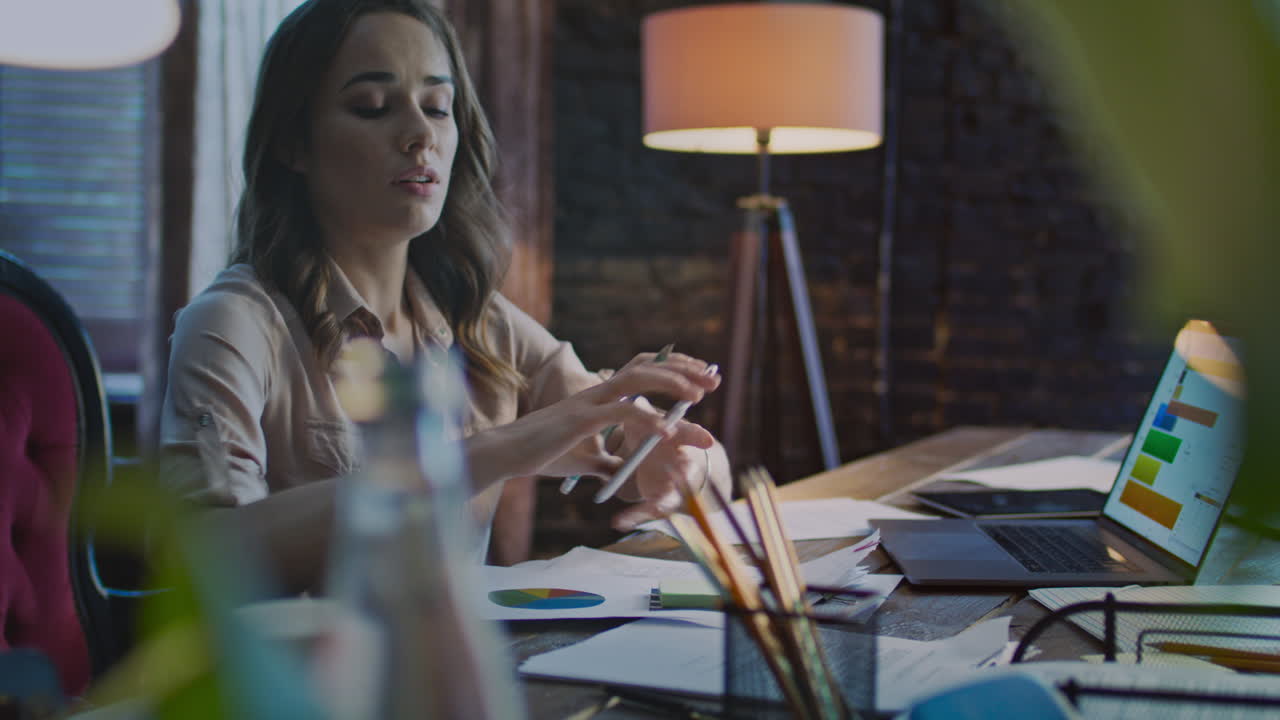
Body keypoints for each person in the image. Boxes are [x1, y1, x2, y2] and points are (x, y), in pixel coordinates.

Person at [158, 0, 730, 595]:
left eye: (437, 107)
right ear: (292, 144)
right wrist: (498, 449)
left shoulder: (479, 325)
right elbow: (203, 556)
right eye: (372, 108)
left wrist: (681, 464)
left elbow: (661, 452)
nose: (420, 134)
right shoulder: (232, 325)